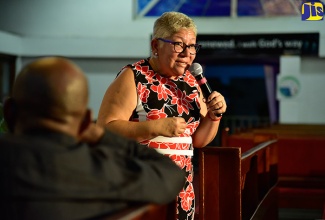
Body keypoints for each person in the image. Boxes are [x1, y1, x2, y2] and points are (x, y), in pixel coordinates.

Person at [0, 56, 186, 220]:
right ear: (86, 122)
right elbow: (171, 175)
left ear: (9, 112)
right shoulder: (105, 169)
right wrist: (103, 135)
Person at [96, 11, 227, 220]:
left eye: (192, 46)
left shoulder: (193, 82)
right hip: (140, 186)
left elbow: (198, 141)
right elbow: (105, 129)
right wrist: (156, 127)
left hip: (181, 190)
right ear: (156, 46)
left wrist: (213, 117)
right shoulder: (134, 76)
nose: (187, 53)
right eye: (178, 44)